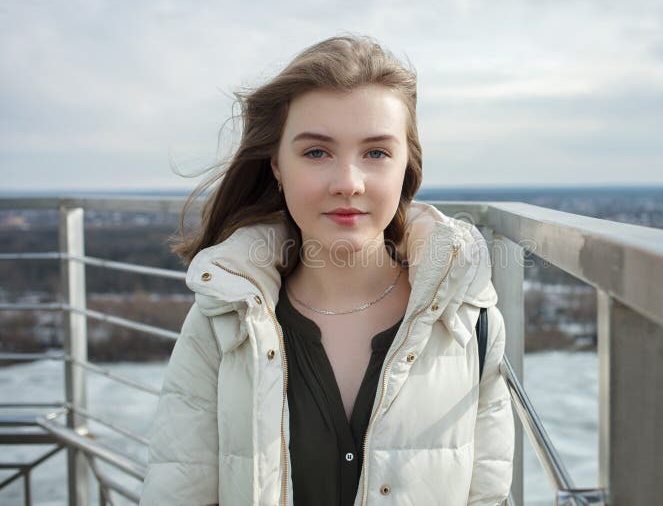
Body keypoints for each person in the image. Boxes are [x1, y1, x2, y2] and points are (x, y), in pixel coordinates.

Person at [140, 35, 515, 505]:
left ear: (407, 169)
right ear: (277, 165)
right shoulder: (222, 322)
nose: (347, 183)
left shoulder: (470, 324)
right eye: (317, 152)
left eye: (376, 153)